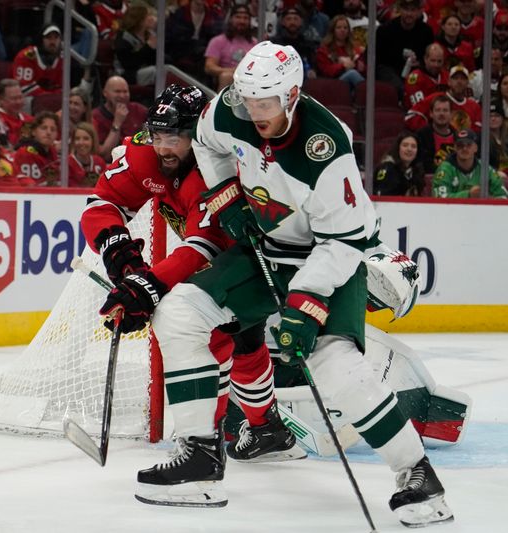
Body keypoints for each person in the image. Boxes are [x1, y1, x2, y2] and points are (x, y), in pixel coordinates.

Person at [132, 41, 453, 528]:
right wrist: (225, 196)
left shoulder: (326, 147)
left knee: (332, 365)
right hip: (268, 247)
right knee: (179, 313)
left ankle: (416, 474)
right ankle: (199, 455)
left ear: (292, 96)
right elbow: (205, 141)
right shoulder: (231, 108)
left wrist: (304, 307)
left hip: (330, 256)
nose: (254, 113)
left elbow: (343, 244)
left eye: (266, 104)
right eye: (248, 101)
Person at [84, 84, 303, 471]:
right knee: (245, 336)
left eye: (175, 137)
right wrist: (120, 254)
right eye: (158, 135)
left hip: (262, 248)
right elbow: (103, 201)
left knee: (212, 329)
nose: (164, 147)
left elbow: (205, 242)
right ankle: (265, 426)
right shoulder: (144, 152)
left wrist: (149, 285)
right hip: (220, 249)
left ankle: (204, 440)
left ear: (197, 132)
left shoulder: (216, 163)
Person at [375, 0, 434, 93]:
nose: (409, 14)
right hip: (389, 69)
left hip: (416, 70)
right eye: (406, 9)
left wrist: (419, 63)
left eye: (413, 10)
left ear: (419, 11)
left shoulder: (426, 31)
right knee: (400, 87)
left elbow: (430, 56)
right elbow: (379, 59)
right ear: (400, 10)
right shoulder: (385, 29)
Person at [432, 129, 508, 199]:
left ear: (475, 148)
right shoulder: (445, 169)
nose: (464, 148)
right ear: (454, 148)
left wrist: (487, 199)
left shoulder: (485, 169)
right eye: (460, 145)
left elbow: (504, 196)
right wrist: (468, 195)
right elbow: (439, 197)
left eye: (468, 145)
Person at [92, 75, 148, 161]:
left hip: (135, 162)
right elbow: (104, 155)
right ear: (105, 93)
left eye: (125, 92)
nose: (122, 96)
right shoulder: (95, 116)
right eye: (117, 91)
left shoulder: (139, 111)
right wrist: (117, 123)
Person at [165, 0, 223, 80]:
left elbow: (216, 40)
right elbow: (170, 38)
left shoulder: (214, 16)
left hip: (202, 59)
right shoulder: (177, 14)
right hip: (178, 56)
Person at [204, 4, 256, 91]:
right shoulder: (218, 41)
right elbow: (209, 67)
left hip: (252, 80)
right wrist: (232, 71)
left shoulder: (255, 43)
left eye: (245, 18)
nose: (242, 21)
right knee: (226, 76)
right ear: (231, 19)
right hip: (229, 79)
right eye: (238, 17)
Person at [314, 14, 366, 90]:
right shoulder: (324, 50)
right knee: (352, 74)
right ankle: (369, 96)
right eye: (339, 27)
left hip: (351, 86)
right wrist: (343, 66)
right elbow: (325, 71)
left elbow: (364, 70)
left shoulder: (355, 48)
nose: (343, 30)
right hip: (332, 84)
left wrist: (361, 67)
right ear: (333, 30)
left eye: (345, 28)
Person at [12, 24, 63, 97]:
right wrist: (47, 97)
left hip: (52, 99)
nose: (52, 41)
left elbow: (61, 87)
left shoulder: (63, 59)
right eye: (49, 37)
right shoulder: (26, 56)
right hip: (24, 98)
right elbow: (23, 87)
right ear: (41, 40)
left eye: (56, 38)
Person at [13, 111, 61, 186]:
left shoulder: (54, 154)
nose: (49, 132)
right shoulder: (25, 153)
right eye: (44, 128)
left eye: (53, 129)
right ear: (34, 132)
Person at [113, 4, 157, 86]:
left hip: (145, 70)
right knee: (159, 72)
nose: (152, 18)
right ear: (139, 20)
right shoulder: (123, 38)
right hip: (127, 75)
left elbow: (155, 60)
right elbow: (129, 63)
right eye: (148, 16)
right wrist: (148, 47)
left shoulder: (150, 35)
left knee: (168, 69)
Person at [374, 131, 425, 196]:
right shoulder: (387, 168)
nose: (409, 149)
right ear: (398, 148)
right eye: (405, 145)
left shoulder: (415, 171)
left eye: (413, 146)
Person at [415, 94, 455, 173]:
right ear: (431, 113)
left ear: (451, 114)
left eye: (445, 110)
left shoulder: (458, 137)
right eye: (438, 110)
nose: (441, 114)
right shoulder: (421, 135)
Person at [404, 43, 448, 110]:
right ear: (425, 59)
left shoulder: (448, 76)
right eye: (433, 61)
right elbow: (418, 107)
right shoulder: (414, 78)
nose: (436, 65)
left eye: (439, 61)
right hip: (419, 116)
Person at [0, 78, 33, 149]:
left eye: (20, 97)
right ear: (1, 100)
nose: (18, 102)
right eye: (13, 99)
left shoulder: (30, 120)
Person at [67, 121, 104, 187]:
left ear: (93, 141)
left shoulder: (99, 162)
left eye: (86, 139)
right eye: (77, 138)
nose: (81, 142)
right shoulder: (67, 163)